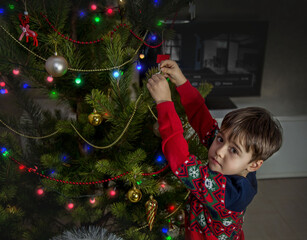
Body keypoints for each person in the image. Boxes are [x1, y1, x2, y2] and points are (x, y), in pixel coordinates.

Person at [146, 60, 283, 240]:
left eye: (234, 150)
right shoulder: (241, 163)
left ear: (254, 165)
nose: (219, 150)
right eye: (220, 139)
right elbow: (203, 121)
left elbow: (181, 162)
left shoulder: (228, 194)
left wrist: (164, 102)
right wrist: (181, 82)